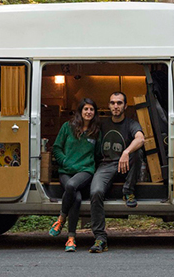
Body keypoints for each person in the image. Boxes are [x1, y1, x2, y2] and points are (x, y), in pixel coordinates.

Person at [88, 91, 144, 253]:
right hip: (106, 165)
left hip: (125, 165)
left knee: (137, 151)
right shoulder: (102, 124)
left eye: (119, 103)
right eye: (112, 103)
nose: (116, 106)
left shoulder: (131, 124)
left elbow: (140, 138)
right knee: (96, 191)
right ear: (109, 105)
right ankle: (100, 238)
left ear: (125, 106)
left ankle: (128, 191)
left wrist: (126, 152)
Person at [49, 98, 102, 252]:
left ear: (95, 112)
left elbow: (98, 154)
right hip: (66, 170)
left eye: (92, 109)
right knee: (76, 197)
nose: (89, 112)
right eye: (86, 109)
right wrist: (65, 161)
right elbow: (57, 148)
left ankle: (61, 219)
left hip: (85, 171)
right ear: (80, 111)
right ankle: (71, 238)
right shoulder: (67, 127)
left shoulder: (96, 131)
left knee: (72, 186)